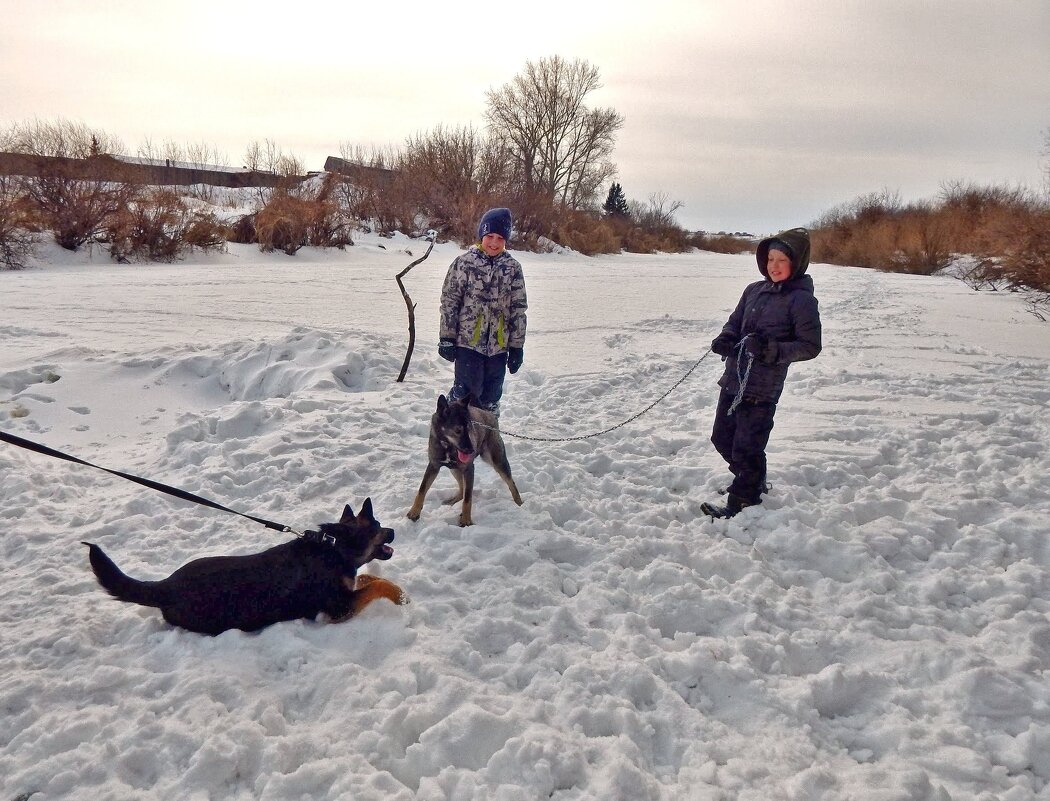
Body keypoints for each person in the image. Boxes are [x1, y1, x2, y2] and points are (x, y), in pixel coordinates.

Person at [701, 227, 822, 519]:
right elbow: (735, 321)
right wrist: (726, 338)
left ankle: (743, 500)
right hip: (734, 378)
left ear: (796, 263)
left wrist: (770, 349)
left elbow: (810, 345)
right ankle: (752, 479)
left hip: (762, 388)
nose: (774, 266)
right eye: (770, 259)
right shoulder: (754, 290)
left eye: (781, 260)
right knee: (722, 438)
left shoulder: (802, 300)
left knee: (747, 447)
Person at [438, 207, 528, 416]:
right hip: (468, 343)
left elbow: (518, 310)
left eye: (500, 238)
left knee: (491, 397)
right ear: (481, 235)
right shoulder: (464, 264)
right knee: (465, 394)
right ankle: (453, 438)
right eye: (490, 236)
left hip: (498, 347)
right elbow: (450, 301)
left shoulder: (513, 268)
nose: (494, 243)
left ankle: (487, 441)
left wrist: (516, 347)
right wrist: (446, 337)